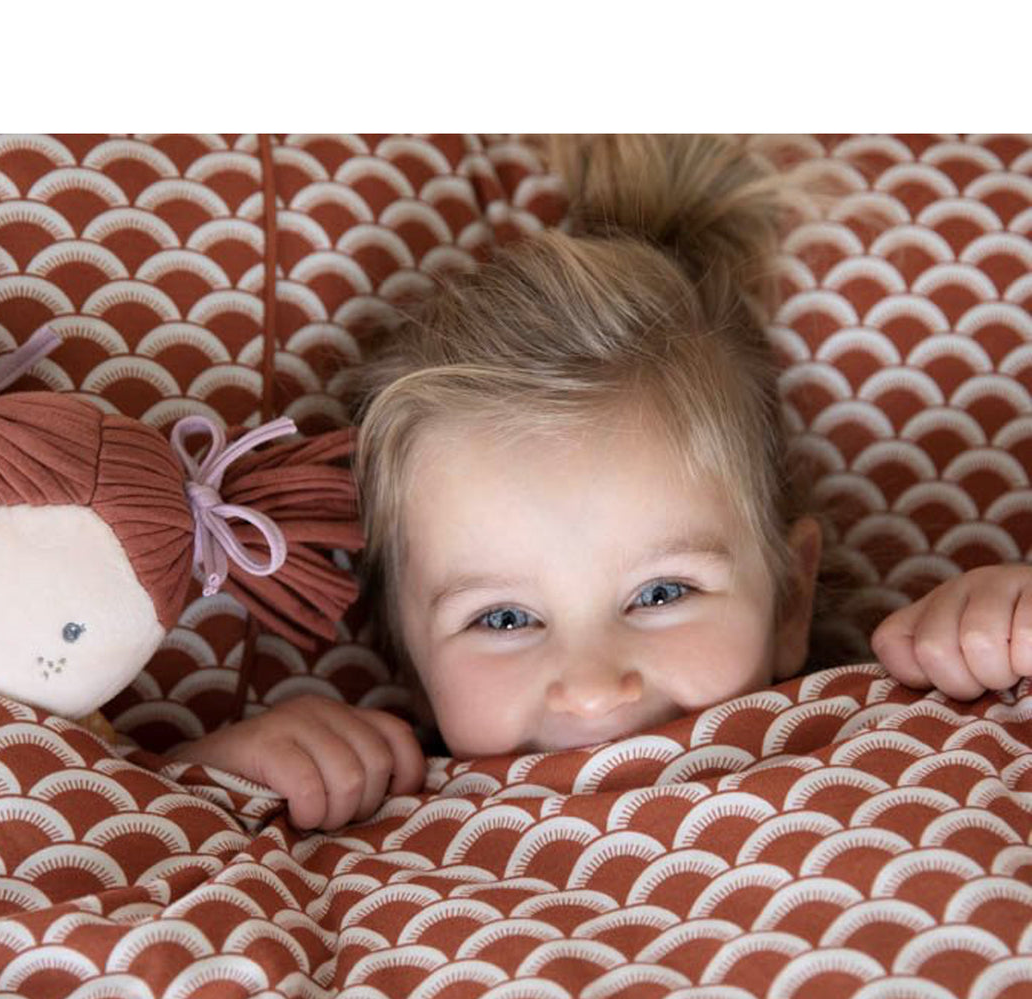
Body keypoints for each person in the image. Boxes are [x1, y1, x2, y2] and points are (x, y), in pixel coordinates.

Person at [173, 135, 1032, 831]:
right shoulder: (378, 808)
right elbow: (92, 851)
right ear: (403, 653)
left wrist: (1006, 634)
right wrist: (214, 783)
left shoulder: (897, 719)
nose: (591, 684)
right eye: (502, 618)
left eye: (662, 592)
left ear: (792, 599)